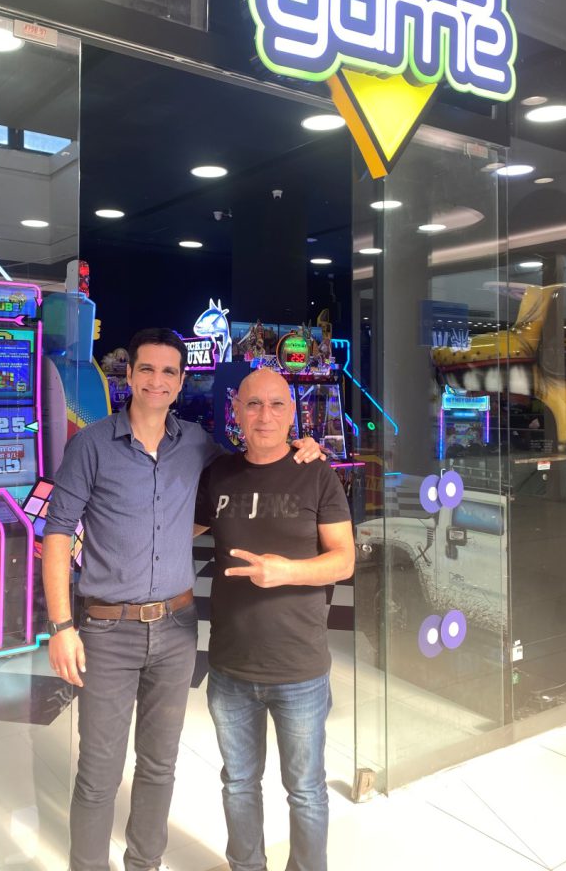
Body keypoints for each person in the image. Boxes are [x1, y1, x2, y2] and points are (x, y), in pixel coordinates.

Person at [41, 328, 323, 871]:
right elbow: (56, 536)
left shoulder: (197, 445)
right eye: (147, 369)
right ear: (129, 375)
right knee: (99, 773)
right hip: (106, 631)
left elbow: (253, 461)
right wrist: (61, 626)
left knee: (159, 766)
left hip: (175, 629)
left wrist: (302, 446)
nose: (158, 380)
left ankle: (144, 863)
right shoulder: (92, 445)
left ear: (180, 379)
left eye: (169, 371)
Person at [194, 367, 355, 871]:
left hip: (300, 668)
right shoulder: (218, 474)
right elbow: (171, 526)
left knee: (305, 790)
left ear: (293, 414)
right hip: (229, 667)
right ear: (236, 412)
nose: (265, 415)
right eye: (253, 404)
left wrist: (286, 571)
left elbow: (344, 560)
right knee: (239, 783)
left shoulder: (317, 473)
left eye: (277, 404)